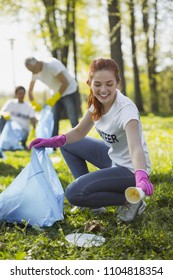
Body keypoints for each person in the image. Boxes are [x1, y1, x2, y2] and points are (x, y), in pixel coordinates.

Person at [28, 58, 154, 222]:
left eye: (109, 84)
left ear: (118, 83)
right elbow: (79, 131)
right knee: (68, 145)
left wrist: (141, 176)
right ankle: (94, 202)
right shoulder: (97, 103)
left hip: (131, 170)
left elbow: (136, 149)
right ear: (90, 83)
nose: (103, 90)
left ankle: (131, 200)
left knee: (73, 193)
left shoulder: (126, 110)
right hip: (113, 159)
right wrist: (52, 141)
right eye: (98, 84)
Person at [25, 57, 79, 137]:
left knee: (73, 118)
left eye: (32, 70)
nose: (32, 73)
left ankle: (80, 142)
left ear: (36, 63)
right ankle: (53, 145)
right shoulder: (35, 72)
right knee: (53, 120)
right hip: (55, 93)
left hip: (69, 91)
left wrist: (55, 98)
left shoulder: (51, 65)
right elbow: (30, 90)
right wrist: (33, 103)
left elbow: (65, 83)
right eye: (30, 71)